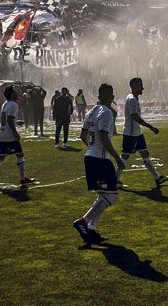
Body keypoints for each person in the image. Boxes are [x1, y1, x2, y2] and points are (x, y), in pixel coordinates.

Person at [74, 83, 124, 244]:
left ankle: (91, 228)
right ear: (111, 97)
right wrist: (117, 158)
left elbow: (83, 135)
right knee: (112, 195)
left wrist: (91, 148)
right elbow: (103, 136)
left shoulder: (91, 112)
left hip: (90, 157)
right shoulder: (107, 112)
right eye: (111, 95)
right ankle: (84, 221)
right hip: (100, 160)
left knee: (104, 195)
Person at [116, 77, 168, 187]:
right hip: (130, 134)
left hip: (137, 133)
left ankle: (157, 178)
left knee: (145, 154)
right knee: (124, 157)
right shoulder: (131, 99)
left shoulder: (133, 98)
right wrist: (150, 127)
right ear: (134, 86)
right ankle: (114, 180)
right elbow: (135, 117)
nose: (143, 88)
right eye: (140, 85)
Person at [0, 86, 36, 188]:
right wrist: (15, 133)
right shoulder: (13, 105)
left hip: (2, 134)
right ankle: (23, 179)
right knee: (20, 154)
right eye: (14, 92)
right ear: (11, 94)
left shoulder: (5, 104)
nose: (16, 93)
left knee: (1, 156)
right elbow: (9, 119)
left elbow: (6, 119)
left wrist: (16, 122)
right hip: (9, 136)